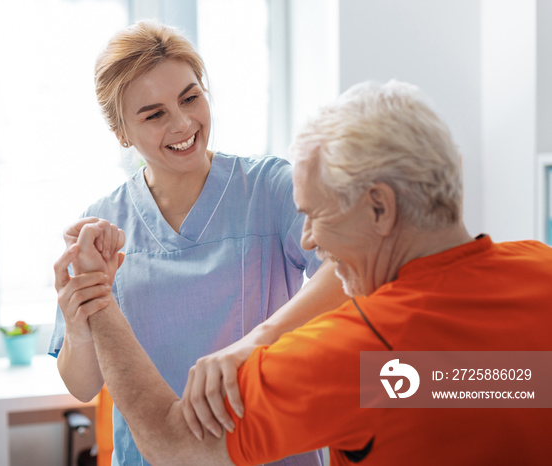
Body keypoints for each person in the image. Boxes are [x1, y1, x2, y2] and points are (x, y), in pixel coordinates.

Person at [55, 79, 552, 465]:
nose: (309, 239)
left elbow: (173, 444)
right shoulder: (541, 268)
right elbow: (503, 381)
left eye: (316, 214)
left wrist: (99, 300)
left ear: (379, 208)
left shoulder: (354, 354)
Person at [49, 20, 347, 466]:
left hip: (269, 450)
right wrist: (79, 322)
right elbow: (82, 385)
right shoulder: (103, 224)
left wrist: (257, 342)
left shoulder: (270, 189)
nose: (184, 122)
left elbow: (349, 273)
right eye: (154, 114)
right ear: (122, 133)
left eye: (191, 97)